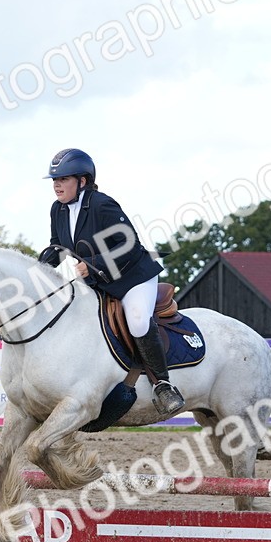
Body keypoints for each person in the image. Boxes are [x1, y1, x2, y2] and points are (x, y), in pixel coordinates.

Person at [37, 148, 184, 416]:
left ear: (82, 181)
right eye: (55, 180)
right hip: (98, 281)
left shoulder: (102, 204)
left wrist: (94, 264)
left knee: (137, 320)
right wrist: (36, 273)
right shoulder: (57, 209)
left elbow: (129, 244)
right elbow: (57, 246)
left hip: (133, 277)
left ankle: (163, 385)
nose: (57, 185)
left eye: (64, 179)